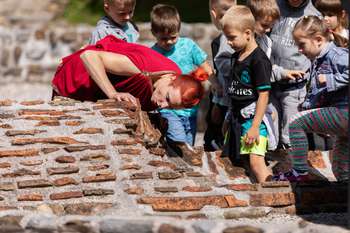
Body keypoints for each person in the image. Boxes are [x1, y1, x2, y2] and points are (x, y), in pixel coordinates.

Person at [274, 16, 348, 182]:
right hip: (342, 120)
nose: (299, 50)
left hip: (344, 113)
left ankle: (300, 172)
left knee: (295, 123)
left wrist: (331, 81)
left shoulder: (336, 55)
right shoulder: (318, 61)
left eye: (302, 44)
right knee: (342, 171)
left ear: (318, 40)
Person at [52, 35, 206, 112]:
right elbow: (89, 56)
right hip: (78, 77)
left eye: (170, 107)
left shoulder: (175, 75)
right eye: (166, 98)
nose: (162, 106)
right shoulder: (140, 69)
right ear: (172, 78)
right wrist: (112, 93)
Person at [150, 4, 212, 163]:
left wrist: (200, 76)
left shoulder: (188, 46)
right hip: (167, 108)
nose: (169, 42)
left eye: (173, 37)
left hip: (189, 109)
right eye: (164, 39)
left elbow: (206, 68)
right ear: (153, 34)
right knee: (177, 136)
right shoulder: (153, 53)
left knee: (187, 145)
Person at [221, 6, 273, 183]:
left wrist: (255, 126)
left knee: (256, 162)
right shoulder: (236, 56)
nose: (228, 42)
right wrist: (228, 119)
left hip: (252, 119)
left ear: (248, 33)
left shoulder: (259, 60)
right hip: (236, 117)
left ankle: (272, 193)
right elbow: (234, 90)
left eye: (231, 37)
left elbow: (264, 95)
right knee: (240, 161)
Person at [269, 0, 320, 150]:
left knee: (290, 131)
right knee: (271, 128)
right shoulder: (275, 6)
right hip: (272, 79)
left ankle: (292, 165)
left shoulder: (313, 16)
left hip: (295, 87)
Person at [204, 0, 236, 152]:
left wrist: (217, 101)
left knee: (214, 134)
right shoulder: (248, 37)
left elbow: (225, 76)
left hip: (226, 99)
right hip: (236, 97)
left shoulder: (220, 42)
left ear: (213, 14)